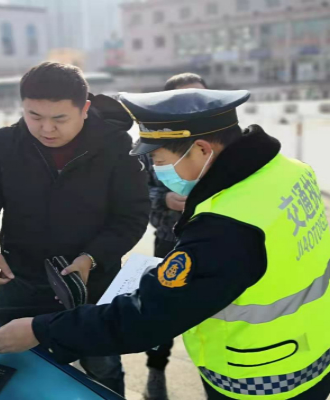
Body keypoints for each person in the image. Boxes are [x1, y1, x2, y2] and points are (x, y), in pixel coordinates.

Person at [0, 88, 330, 400]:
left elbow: (146, 318)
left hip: (263, 372)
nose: (157, 171)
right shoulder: (289, 170)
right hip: (317, 347)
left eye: (159, 160)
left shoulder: (226, 224)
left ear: (201, 149)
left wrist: (40, 329)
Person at [0, 62, 150, 396]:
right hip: (21, 285)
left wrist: (91, 258)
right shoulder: (2, 144)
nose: (47, 129)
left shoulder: (116, 147)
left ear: (84, 108)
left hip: (91, 289)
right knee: (13, 371)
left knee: (102, 370)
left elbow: (131, 216)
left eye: (60, 118)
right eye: (34, 116)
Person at [141, 72, 208, 400]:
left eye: (201, 99)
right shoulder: (151, 142)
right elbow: (135, 193)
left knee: (215, 312)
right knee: (163, 311)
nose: (194, 107)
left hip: (217, 240)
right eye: (184, 100)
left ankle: (216, 377)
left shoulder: (224, 141)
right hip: (170, 240)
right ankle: (156, 371)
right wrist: (164, 198)